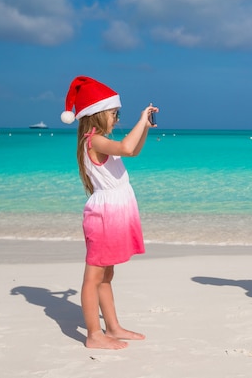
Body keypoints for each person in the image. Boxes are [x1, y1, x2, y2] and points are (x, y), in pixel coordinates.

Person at [61, 76, 158, 349]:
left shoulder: (100, 141)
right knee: (93, 278)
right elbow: (127, 147)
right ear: (98, 114)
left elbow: (133, 151)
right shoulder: (94, 141)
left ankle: (112, 327)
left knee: (106, 275)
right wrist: (140, 121)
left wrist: (145, 127)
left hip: (115, 214)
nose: (117, 119)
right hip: (103, 216)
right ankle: (93, 335)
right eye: (115, 113)